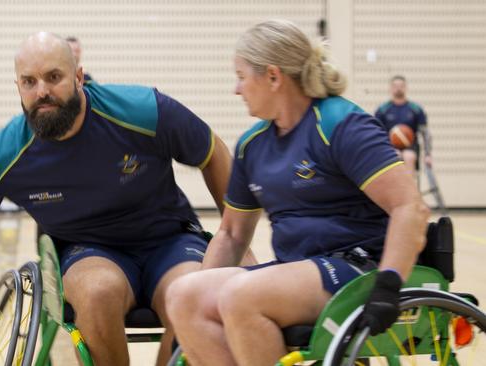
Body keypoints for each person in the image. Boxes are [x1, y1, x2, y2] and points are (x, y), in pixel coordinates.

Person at [0, 32, 236, 366]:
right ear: (17, 86)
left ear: (79, 77)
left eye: (53, 77)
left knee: (191, 292)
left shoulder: (143, 110)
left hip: (170, 239)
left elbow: (212, 152)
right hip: (88, 250)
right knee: (98, 293)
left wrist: (235, 235)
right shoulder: (5, 152)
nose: (42, 91)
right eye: (29, 82)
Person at [166, 19, 430, 366]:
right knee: (184, 295)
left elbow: (409, 206)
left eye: (242, 76)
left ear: (273, 77)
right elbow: (231, 234)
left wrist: (390, 281)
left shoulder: (340, 124)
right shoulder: (251, 145)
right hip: (297, 268)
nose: (236, 88)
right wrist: (185, 331)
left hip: (357, 265)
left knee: (240, 297)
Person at [375, 75, 432, 176]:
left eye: (401, 86)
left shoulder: (415, 109)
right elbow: (376, 132)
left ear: (406, 88)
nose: (398, 88)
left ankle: (408, 189)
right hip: (389, 147)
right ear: (390, 89)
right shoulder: (383, 110)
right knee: (395, 155)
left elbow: (425, 132)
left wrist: (427, 155)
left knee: (408, 156)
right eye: (395, 86)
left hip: (410, 146)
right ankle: (395, 189)